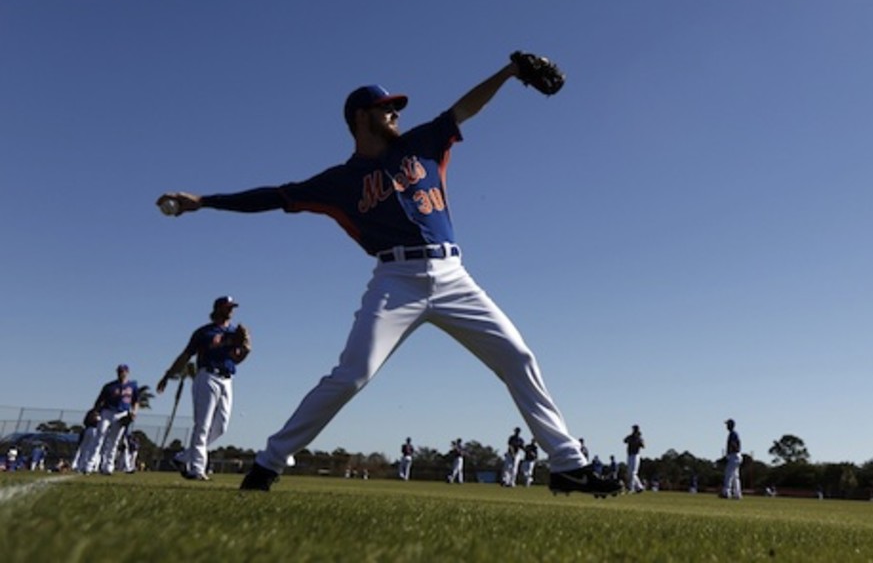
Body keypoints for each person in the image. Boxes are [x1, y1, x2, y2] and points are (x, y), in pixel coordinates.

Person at [157, 58, 618, 498]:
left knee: (518, 357)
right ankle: (269, 463)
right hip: (395, 282)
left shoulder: (423, 143)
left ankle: (567, 464)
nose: (395, 112)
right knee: (351, 376)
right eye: (386, 107)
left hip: (454, 275)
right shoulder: (339, 180)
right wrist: (205, 200)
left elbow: (466, 106)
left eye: (396, 107)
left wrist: (511, 71)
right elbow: (274, 196)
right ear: (362, 116)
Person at [156, 296, 252, 481]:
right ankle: (197, 469)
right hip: (207, 376)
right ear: (218, 309)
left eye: (232, 307)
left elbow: (236, 359)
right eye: (228, 307)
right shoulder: (204, 332)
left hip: (227, 379)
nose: (231, 310)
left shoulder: (234, 333)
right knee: (203, 424)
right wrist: (168, 375)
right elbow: (185, 356)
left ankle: (184, 457)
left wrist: (246, 349)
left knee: (221, 426)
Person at [84, 364, 139, 475]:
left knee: (114, 442)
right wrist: (96, 412)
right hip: (107, 413)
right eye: (120, 371)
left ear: (128, 372)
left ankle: (108, 467)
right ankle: (89, 465)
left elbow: (136, 402)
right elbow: (99, 401)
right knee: (99, 437)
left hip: (122, 414)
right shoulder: (109, 386)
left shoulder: (132, 386)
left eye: (123, 371)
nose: (122, 374)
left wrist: (134, 412)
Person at [720, 418, 743, 499]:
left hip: (734, 455)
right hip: (737, 455)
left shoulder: (732, 434)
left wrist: (729, 453)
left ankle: (726, 492)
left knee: (728, 475)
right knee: (735, 476)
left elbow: (734, 444)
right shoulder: (734, 433)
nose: (726, 426)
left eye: (728, 424)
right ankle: (737, 494)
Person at [624, 424, 646, 493]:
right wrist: (631, 437)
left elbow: (643, 446)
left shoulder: (639, 438)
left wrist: (638, 440)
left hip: (636, 455)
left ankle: (631, 488)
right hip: (630, 455)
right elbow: (624, 440)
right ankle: (640, 487)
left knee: (633, 473)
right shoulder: (630, 437)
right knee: (630, 473)